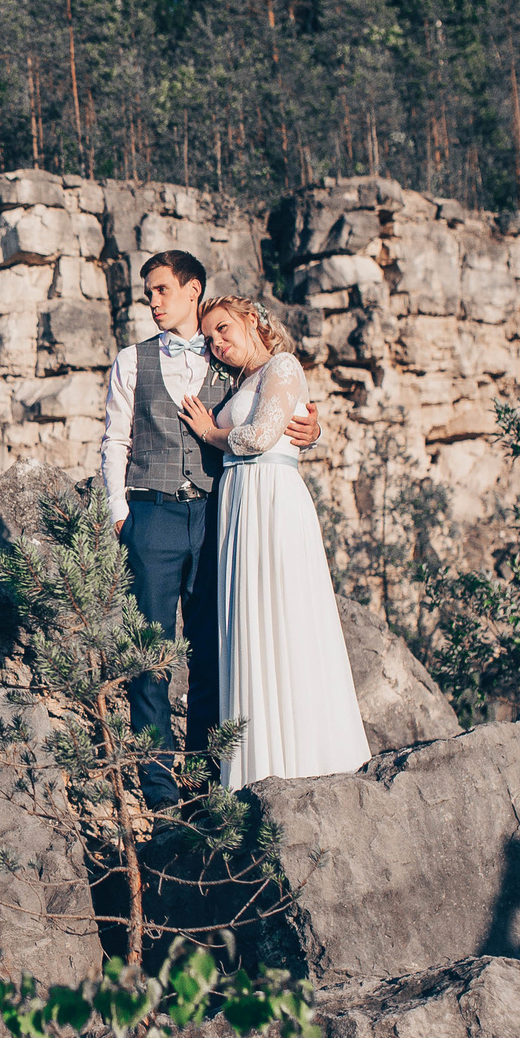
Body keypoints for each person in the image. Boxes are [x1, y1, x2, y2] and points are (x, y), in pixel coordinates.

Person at [98, 252, 319, 802]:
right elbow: (115, 440)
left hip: (218, 515)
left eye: (161, 290)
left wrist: (311, 429)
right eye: (148, 293)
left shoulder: (230, 357)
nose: (152, 302)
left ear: (192, 289)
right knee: (149, 654)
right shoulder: (131, 360)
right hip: (151, 515)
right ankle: (158, 792)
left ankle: (203, 785)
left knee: (212, 653)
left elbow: (274, 402)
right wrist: (119, 513)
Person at [182, 294, 370, 788]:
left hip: (271, 497)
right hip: (239, 502)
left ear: (251, 320)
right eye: (210, 338)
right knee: (248, 623)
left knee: (284, 614)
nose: (217, 343)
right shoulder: (238, 381)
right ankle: (256, 763)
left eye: (224, 329)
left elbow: (261, 436)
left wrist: (209, 432)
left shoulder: (282, 365)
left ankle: (302, 757)